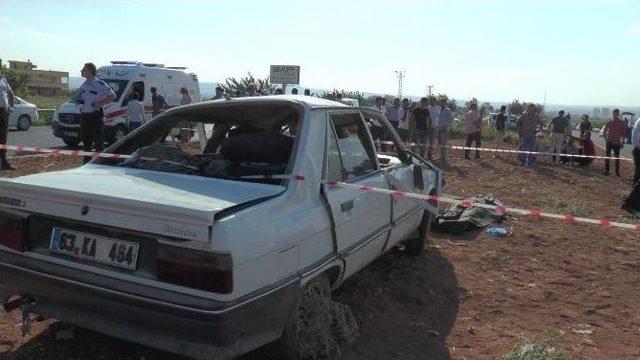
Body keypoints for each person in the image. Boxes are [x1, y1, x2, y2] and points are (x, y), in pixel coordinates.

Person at [78, 62, 116, 164]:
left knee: (98, 142)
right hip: (84, 116)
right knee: (86, 143)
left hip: (95, 116)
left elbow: (113, 96)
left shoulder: (100, 84)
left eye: (84, 69)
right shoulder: (83, 85)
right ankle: (86, 164)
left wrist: (101, 103)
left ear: (90, 71)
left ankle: (101, 164)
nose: (82, 71)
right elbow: (79, 98)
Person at [602, 108, 627, 176]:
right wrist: (606, 140)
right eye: (614, 113)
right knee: (607, 157)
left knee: (617, 158)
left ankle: (617, 172)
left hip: (617, 143)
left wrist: (622, 142)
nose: (614, 115)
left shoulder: (622, 123)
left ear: (618, 114)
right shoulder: (609, 122)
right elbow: (604, 131)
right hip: (609, 142)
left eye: (616, 114)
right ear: (612, 114)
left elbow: (624, 134)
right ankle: (607, 171)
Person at [0, 72, 15, 170]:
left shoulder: (3, 79)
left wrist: (11, 107)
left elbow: (11, 93)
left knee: (3, 138)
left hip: (4, 111)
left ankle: (4, 163)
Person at [437, 96, 454, 164]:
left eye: (443, 102)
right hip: (439, 129)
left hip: (444, 129)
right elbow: (439, 119)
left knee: (444, 144)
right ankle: (441, 157)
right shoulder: (439, 109)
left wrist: (445, 126)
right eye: (441, 102)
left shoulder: (448, 110)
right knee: (440, 144)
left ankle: (444, 158)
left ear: (445, 103)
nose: (442, 103)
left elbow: (451, 120)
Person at [632, 117, 640, 185]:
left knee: (637, 168)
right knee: (638, 168)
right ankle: (636, 182)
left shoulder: (638, 120)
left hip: (636, 148)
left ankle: (635, 181)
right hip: (638, 149)